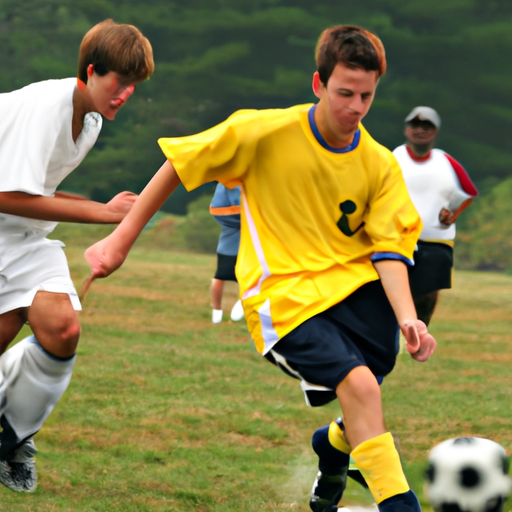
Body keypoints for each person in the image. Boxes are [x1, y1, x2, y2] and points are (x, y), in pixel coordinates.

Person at [85, 25, 437, 511]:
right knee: (358, 385)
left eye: (366, 96)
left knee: (367, 387)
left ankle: (333, 447)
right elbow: (179, 164)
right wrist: (120, 241)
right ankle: (401, 504)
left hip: (355, 292)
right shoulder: (263, 131)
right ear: (318, 84)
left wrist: (407, 318)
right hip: (284, 297)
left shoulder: (379, 163)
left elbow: (390, 251)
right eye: (344, 93)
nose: (355, 107)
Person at [0, 19, 154, 492]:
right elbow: (6, 195)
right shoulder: (48, 105)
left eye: (133, 86)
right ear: (92, 71)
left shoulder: (87, 121)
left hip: (23, 239)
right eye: (119, 82)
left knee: (63, 328)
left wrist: (106, 211)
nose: (125, 93)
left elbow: (38, 193)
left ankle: (12, 439)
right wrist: (104, 216)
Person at [393, 106, 478, 326]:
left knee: (427, 296)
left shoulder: (445, 162)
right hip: (399, 240)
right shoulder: (394, 157)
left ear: (435, 131)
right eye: (415, 125)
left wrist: (453, 214)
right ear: (406, 130)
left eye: (426, 126)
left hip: (435, 241)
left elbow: (469, 192)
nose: (420, 130)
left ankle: (419, 336)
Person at [209, 183, 244, 324]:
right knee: (246, 276)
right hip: (245, 236)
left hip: (227, 234)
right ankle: (242, 303)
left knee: (220, 276)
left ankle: (216, 311)